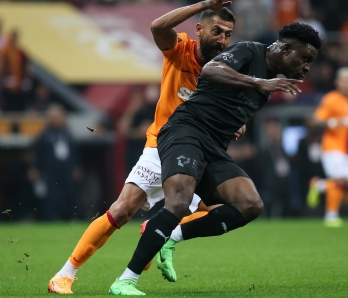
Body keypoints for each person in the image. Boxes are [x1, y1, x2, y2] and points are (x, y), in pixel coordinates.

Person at [108, 22, 321, 295]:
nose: (306, 67)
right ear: (286, 48)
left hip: (213, 147)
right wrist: (258, 81)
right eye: (305, 58)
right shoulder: (249, 52)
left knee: (250, 204)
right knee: (179, 201)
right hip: (186, 131)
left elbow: (229, 104)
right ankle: (126, 279)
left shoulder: (273, 79)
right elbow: (210, 70)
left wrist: (236, 125)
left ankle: (173, 235)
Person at [48, 2, 238, 294]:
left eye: (228, 34)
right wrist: (204, 4)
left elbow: (233, 111)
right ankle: (64, 274)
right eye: (217, 31)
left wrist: (236, 123)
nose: (223, 40)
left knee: (229, 207)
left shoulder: (224, 67)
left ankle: (163, 232)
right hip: (162, 145)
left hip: (196, 152)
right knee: (123, 209)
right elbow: (157, 27)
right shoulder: (180, 50)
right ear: (199, 29)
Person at [306, 67, 348, 227]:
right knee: (340, 180)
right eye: (344, 80)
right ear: (337, 82)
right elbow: (315, 120)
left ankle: (318, 185)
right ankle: (331, 216)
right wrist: (332, 122)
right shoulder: (331, 99)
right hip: (332, 147)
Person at [29, 104, 82, 221]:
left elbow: (74, 152)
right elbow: (37, 153)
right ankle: (51, 218)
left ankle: (70, 217)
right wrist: (34, 168)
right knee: (52, 195)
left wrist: (76, 167)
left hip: (66, 169)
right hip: (51, 170)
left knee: (69, 193)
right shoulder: (44, 135)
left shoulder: (68, 134)